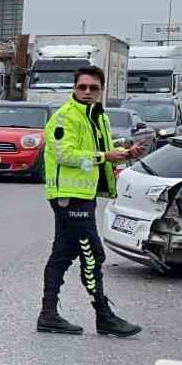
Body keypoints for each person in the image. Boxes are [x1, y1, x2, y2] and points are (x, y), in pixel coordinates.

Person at [36, 66, 142, 338]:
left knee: (63, 252)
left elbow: (98, 151)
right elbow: (65, 155)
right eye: (82, 87)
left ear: (101, 90)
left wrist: (123, 153)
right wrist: (104, 156)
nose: (86, 92)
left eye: (93, 88)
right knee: (92, 253)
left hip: (85, 196)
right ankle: (103, 316)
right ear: (74, 88)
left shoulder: (98, 117)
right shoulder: (65, 117)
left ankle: (48, 315)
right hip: (69, 198)